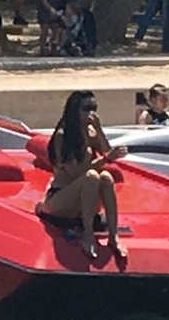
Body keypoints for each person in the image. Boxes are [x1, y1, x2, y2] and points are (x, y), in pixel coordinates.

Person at [38, 90, 123, 263]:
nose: (91, 113)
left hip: (84, 198)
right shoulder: (63, 136)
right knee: (91, 176)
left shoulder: (91, 132)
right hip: (61, 199)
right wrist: (106, 159)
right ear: (74, 110)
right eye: (86, 108)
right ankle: (88, 234)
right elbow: (77, 173)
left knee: (106, 177)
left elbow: (106, 149)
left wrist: (98, 130)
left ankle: (113, 236)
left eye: (94, 108)